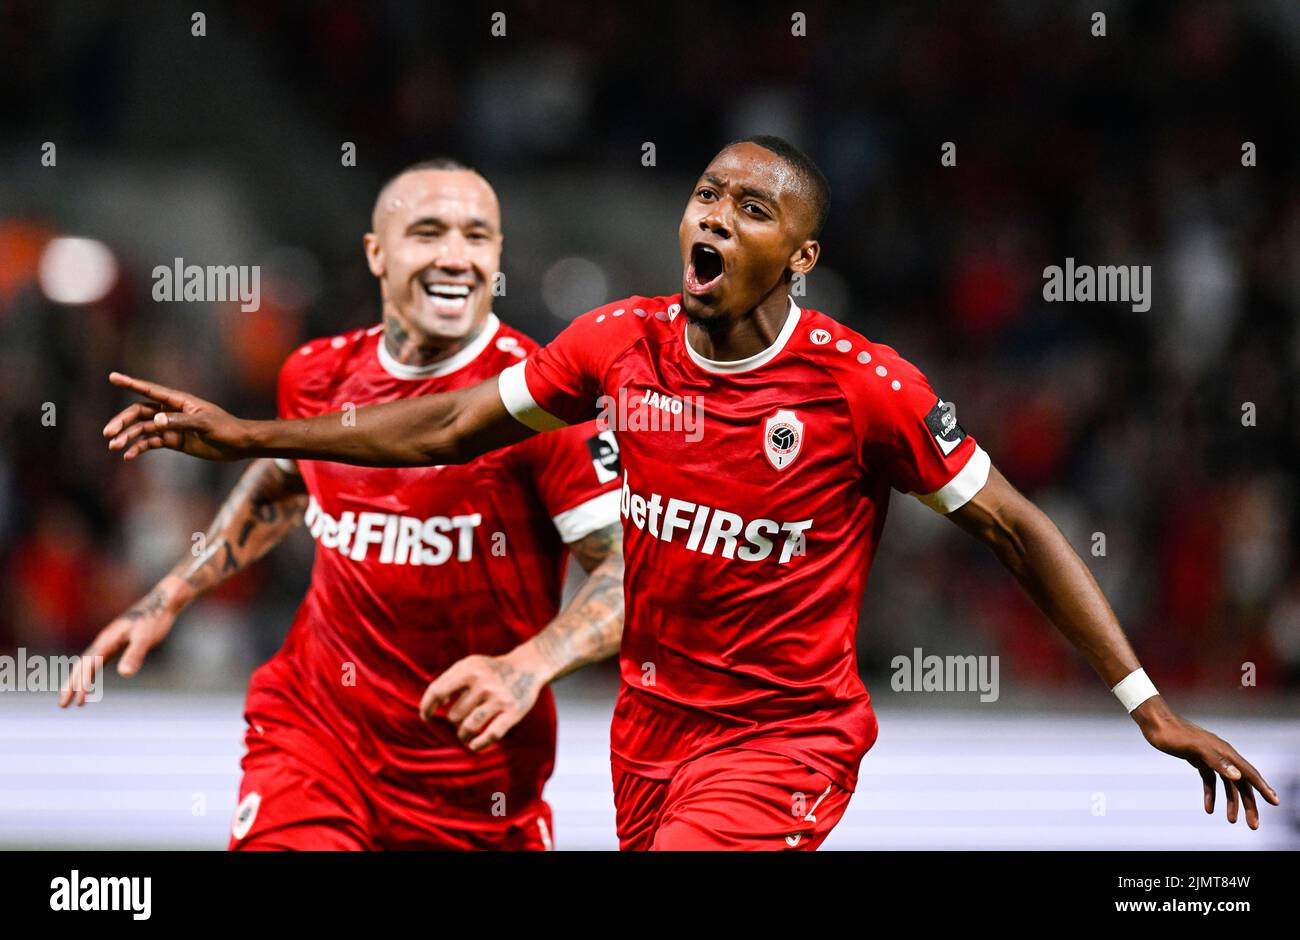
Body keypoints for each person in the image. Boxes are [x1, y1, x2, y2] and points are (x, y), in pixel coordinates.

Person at [101, 137, 1279, 850]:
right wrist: (245, 428)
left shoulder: (865, 389)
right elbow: (452, 422)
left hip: (782, 736)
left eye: (751, 208)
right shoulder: (619, 344)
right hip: (647, 733)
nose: (714, 216)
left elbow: (1016, 527)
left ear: (798, 256)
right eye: (708, 195)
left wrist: (1146, 704)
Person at [73, 159, 626, 851]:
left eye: (477, 237)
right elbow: (281, 483)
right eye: (428, 232)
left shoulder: (544, 402)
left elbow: (627, 577)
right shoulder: (316, 374)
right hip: (315, 736)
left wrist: (530, 664)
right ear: (377, 252)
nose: (455, 256)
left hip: (470, 775)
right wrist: (171, 595)